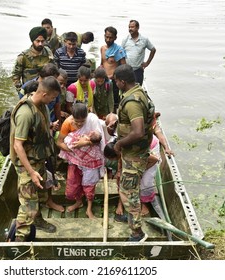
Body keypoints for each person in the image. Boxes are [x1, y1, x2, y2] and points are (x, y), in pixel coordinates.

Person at [9, 76, 62, 241]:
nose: (54, 101)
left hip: (39, 160)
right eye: (53, 97)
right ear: (44, 94)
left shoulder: (42, 105)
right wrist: (31, 172)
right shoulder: (25, 113)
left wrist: (51, 126)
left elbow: (38, 129)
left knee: (40, 195)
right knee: (28, 205)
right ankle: (18, 240)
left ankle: (37, 221)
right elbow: (18, 146)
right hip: (27, 165)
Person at [112, 64, 155, 242]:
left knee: (129, 192)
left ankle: (137, 232)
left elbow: (137, 131)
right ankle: (129, 216)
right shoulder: (139, 91)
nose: (115, 84)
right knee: (129, 186)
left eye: (116, 81)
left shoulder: (132, 102)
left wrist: (119, 143)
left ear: (122, 81)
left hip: (134, 153)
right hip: (136, 151)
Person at [56, 103, 105, 219]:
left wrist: (86, 143)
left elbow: (98, 138)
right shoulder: (67, 123)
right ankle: (78, 201)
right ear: (72, 116)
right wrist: (74, 150)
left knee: (89, 183)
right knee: (73, 182)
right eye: (76, 122)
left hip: (90, 159)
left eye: (82, 122)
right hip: (74, 158)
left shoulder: (92, 120)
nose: (79, 124)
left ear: (87, 117)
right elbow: (59, 142)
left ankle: (89, 208)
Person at [11, 26, 55, 92]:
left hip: (45, 91)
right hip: (29, 91)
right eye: (38, 41)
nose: (40, 44)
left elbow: (53, 71)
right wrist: (21, 91)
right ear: (32, 41)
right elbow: (15, 76)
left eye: (42, 41)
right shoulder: (23, 57)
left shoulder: (48, 53)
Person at [121, 20, 156, 86]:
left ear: (137, 28)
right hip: (127, 70)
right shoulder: (125, 39)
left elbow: (153, 50)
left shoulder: (144, 40)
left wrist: (147, 63)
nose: (130, 29)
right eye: (129, 27)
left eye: (132, 27)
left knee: (137, 90)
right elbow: (120, 53)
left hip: (138, 70)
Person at [100, 26, 127, 111]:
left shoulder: (119, 50)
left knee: (115, 102)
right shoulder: (102, 48)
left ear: (115, 38)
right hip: (103, 80)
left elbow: (123, 67)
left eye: (110, 37)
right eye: (106, 37)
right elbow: (102, 63)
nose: (108, 39)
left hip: (114, 81)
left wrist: (113, 76)